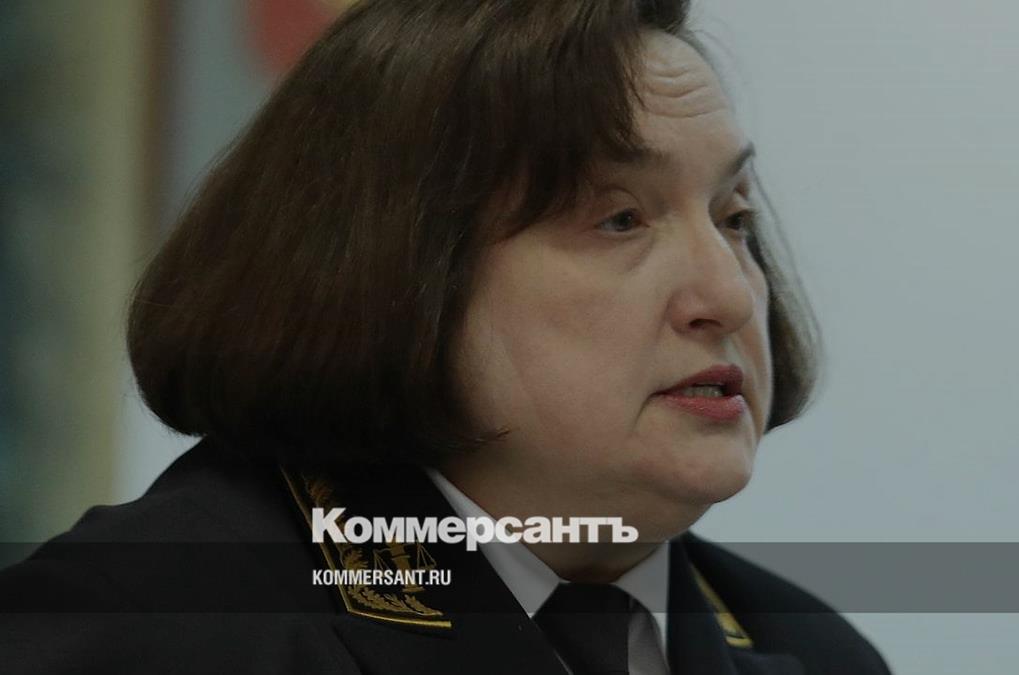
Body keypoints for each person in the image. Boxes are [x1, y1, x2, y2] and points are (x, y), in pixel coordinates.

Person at [0, 1, 890, 673]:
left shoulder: (814, 649)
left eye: (734, 218)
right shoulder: (147, 625)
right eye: (619, 218)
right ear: (394, 271)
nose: (727, 294)